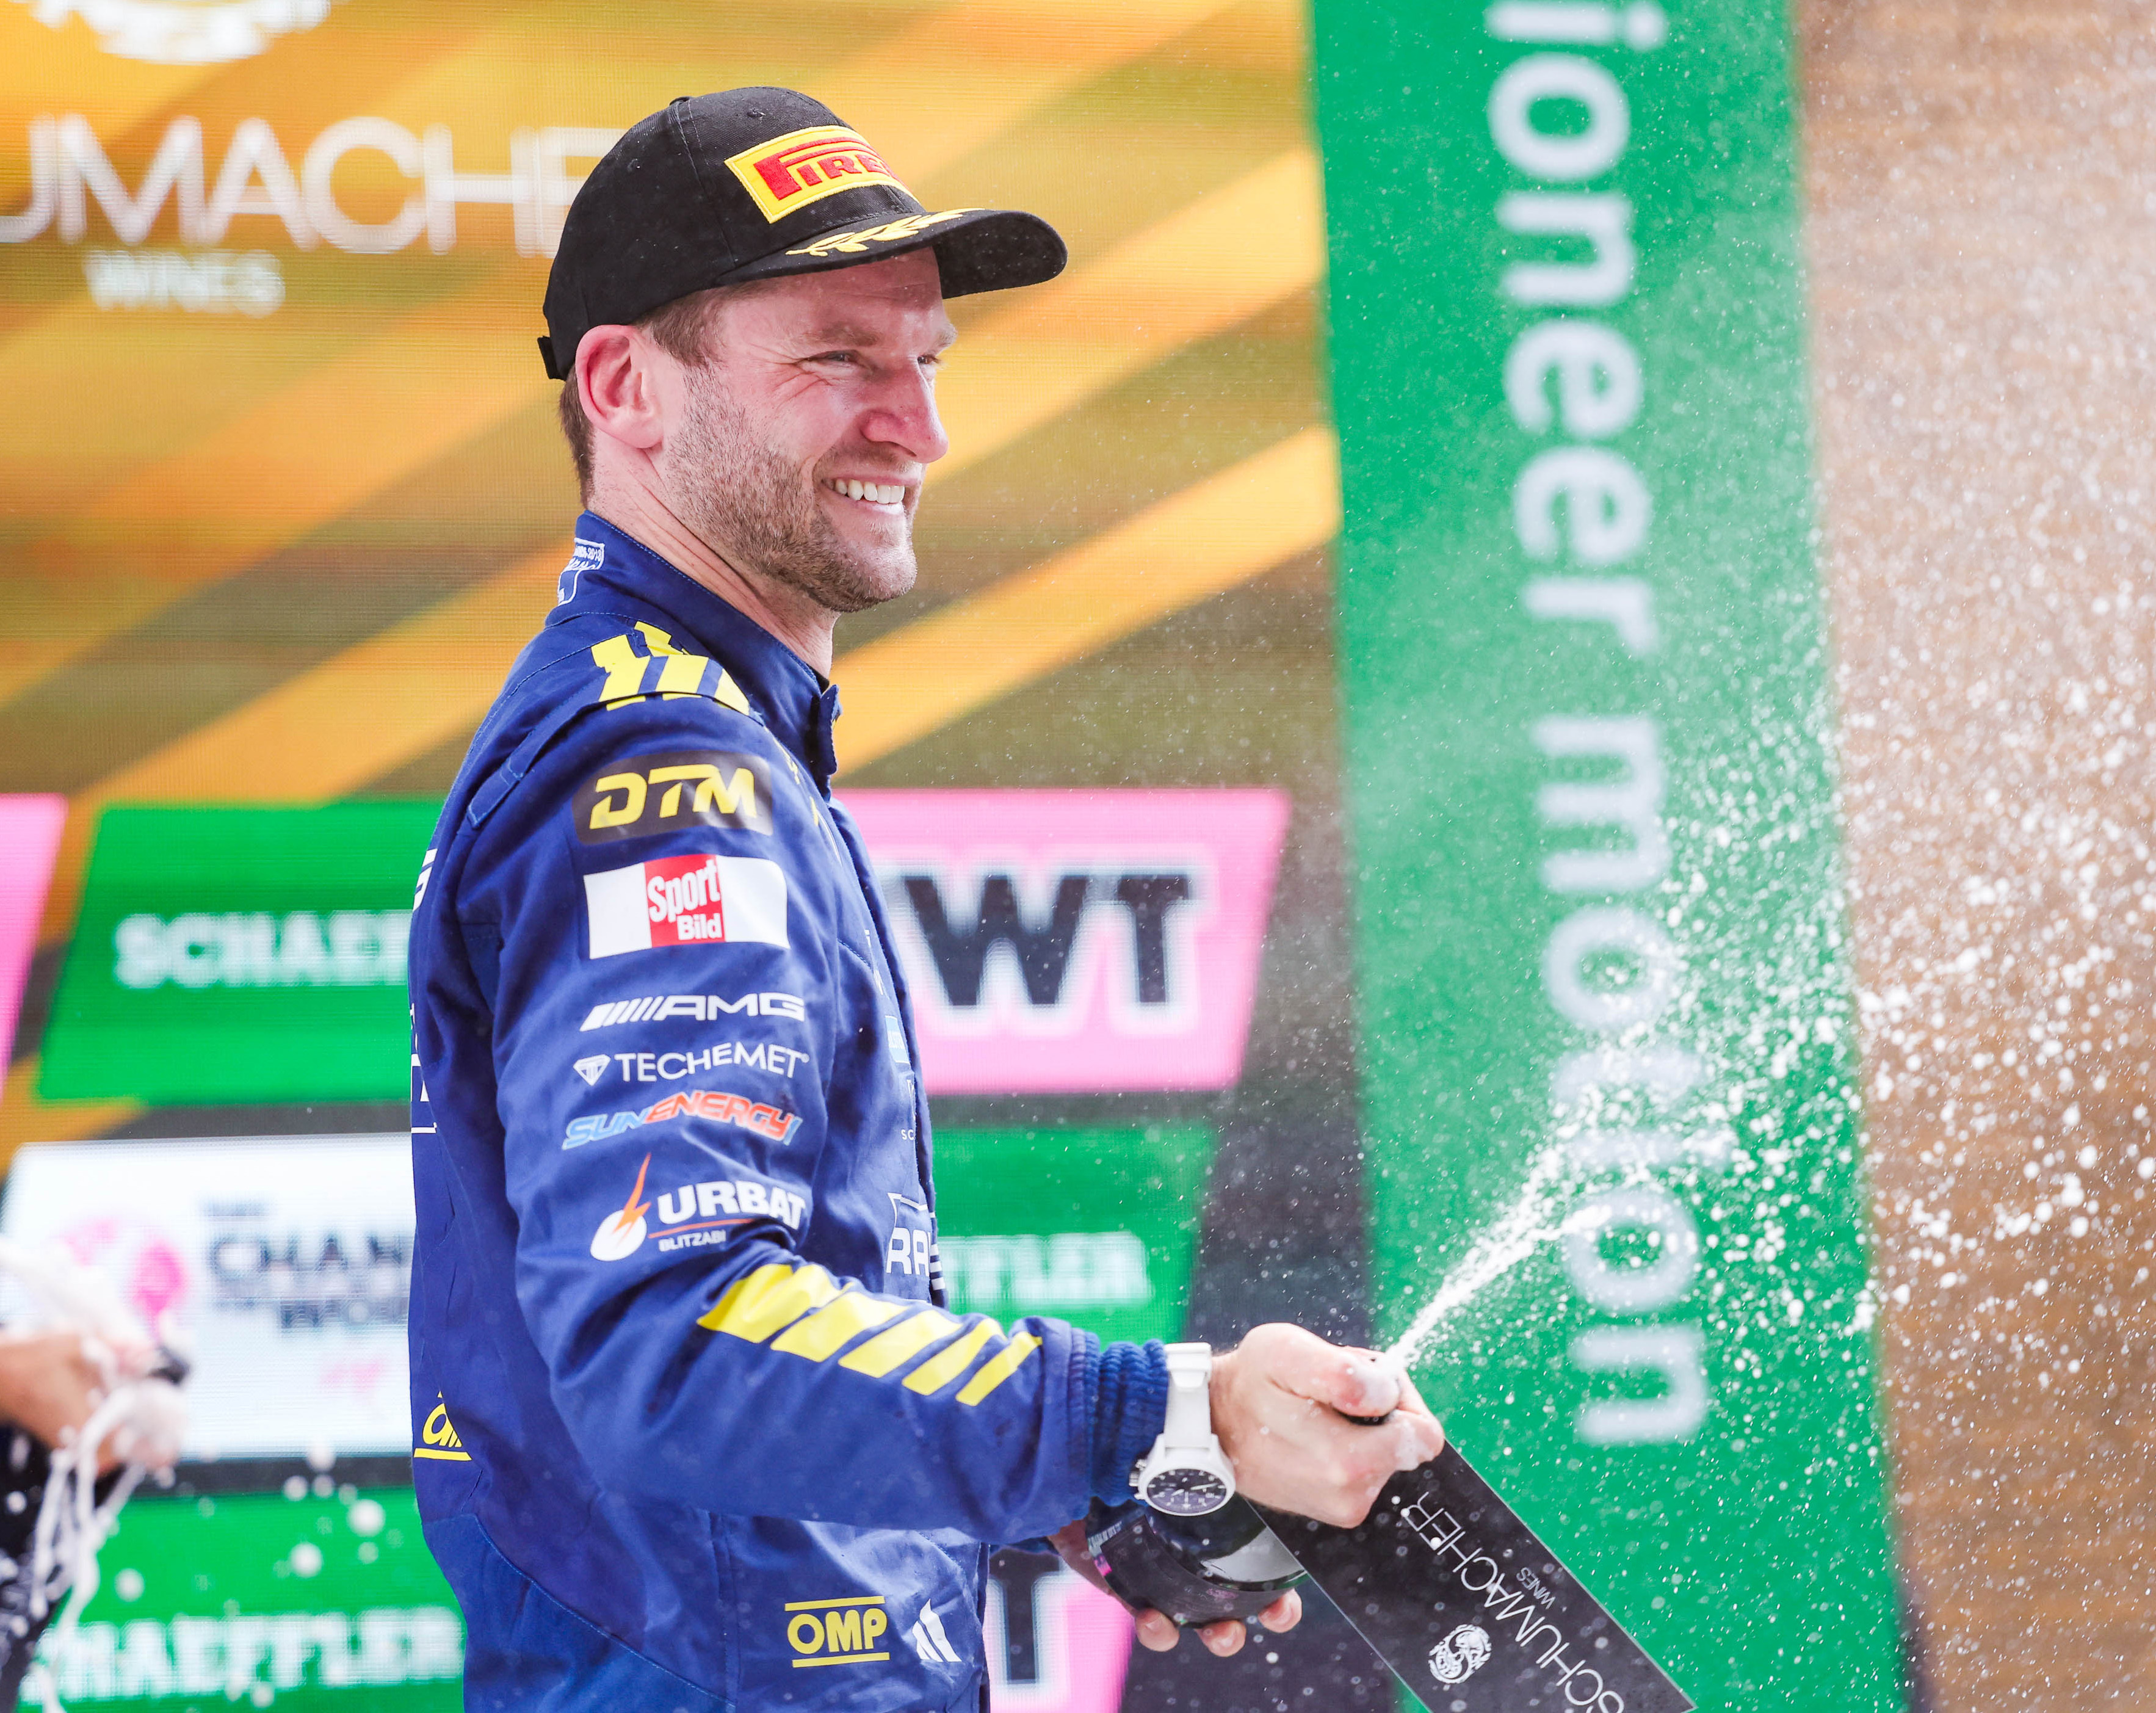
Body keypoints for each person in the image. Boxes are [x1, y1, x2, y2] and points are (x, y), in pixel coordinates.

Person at [406, 86, 1442, 1712]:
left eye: (927, 363)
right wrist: (1162, 1415)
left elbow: (765, 1330)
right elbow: (673, 1340)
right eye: (838, 360)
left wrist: (1082, 1489)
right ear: (624, 388)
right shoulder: (665, 764)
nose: (918, 429)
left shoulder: (702, 731)